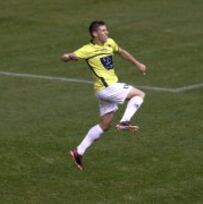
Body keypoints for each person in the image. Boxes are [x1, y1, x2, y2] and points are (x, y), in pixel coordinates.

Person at [61, 20, 146, 170]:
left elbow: (121, 51)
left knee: (105, 125)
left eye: (107, 30)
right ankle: (125, 122)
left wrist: (137, 63)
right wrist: (67, 56)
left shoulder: (110, 43)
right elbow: (68, 56)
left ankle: (78, 151)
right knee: (139, 94)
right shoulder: (87, 49)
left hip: (102, 92)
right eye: (103, 31)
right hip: (108, 88)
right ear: (95, 33)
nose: (107, 33)